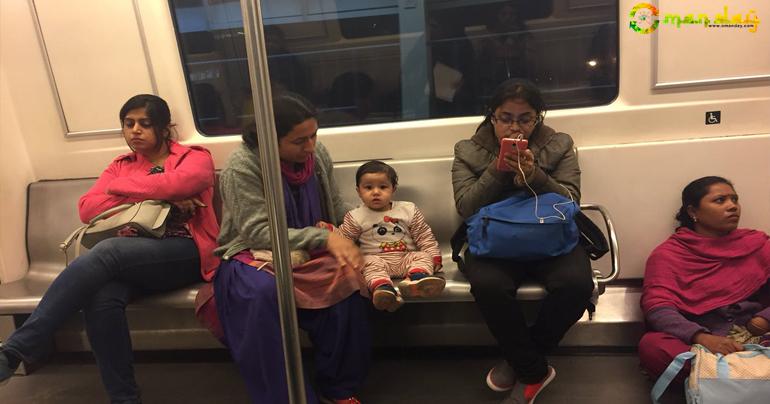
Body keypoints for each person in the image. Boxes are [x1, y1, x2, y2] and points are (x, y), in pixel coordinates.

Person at [0, 94, 219, 403]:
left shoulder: (193, 156)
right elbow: (88, 208)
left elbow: (187, 182)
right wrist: (159, 191)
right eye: (128, 124)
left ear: (163, 127)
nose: (135, 131)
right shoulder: (121, 165)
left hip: (185, 249)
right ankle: (124, 398)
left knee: (108, 252)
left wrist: (123, 189)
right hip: (133, 256)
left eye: (145, 124)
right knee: (101, 297)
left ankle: (14, 351)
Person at [213, 92, 369, 404]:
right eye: (299, 141)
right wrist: (324, 239)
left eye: (314, 135)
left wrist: (358, 232)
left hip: (310, 247)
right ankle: (282, 396)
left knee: (351, 281)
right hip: (250, 252)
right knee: (262, 294)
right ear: (270, 139)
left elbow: (333, 205)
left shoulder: (316, 155)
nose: (310, 146)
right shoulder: (242, 166)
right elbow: (257, 232)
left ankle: (337, 386)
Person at [451, 79, 593, 404]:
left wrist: (536, 176)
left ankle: (521, 362)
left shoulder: (559, 145)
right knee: (488, 284)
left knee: (575, 285)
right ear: (492, 117)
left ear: (537, 118)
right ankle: (533, 369)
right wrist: (498, 169)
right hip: (494, 238)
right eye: (505, 118)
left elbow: (570, 200)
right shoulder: (467, 150)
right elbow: (466, 206)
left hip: (550, 232)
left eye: (525, 118)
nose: (514, 127)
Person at [639, 176, 770, 383]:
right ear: (693, 212)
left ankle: (721, 377)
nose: (732, 206)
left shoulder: (758, 243)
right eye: (720, 200)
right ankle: (745, 375)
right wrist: (701, 337)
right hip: (701, 344)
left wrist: (765, 318)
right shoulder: (668, 254)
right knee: (653, 346)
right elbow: (658, 308)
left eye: (734, 200)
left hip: (759, 337)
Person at [337, 160, 445, 312]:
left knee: (423, 256)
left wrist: (434, 257)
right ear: (359, 191)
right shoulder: (355, 216)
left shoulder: (408, 210)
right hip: (377, 261)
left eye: (382, 187)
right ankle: (383, 289)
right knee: (367, 262)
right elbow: (343, 240)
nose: (375, 192)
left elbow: (424, 236)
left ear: (393, 189)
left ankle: (416, 279)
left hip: (405, 259)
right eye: (368, 187)